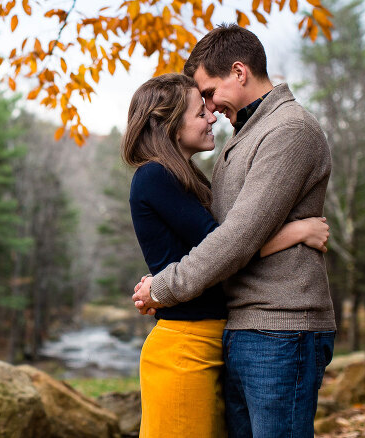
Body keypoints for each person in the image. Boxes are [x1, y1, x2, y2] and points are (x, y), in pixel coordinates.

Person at [132, 24, 335, 438]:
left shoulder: (288, 129)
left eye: (208, 93)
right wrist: (297, 231)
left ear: (239, 72)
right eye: (200, 104)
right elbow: (225, 237)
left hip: (280, 326)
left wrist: (163, 287)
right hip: (242, 329)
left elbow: (235, 239)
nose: (209, 110)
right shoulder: (242, 138)